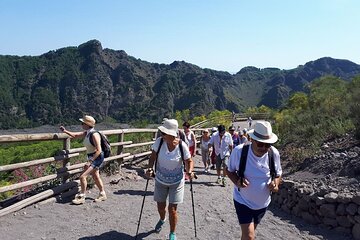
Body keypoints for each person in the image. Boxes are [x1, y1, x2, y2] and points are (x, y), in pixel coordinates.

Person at [227, 121, 282, 240]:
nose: (264, 148)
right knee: (250, 236)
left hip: (263, 204)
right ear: (252, 139)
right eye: (261, 144)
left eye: (267, 145)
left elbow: (278, 174)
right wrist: (237, 181)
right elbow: (229, 170)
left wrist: (275, 184)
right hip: (242, 201)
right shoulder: (240, 151)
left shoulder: (274, 154)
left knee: (248, 234)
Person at [145, 119, 194, 240]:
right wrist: (150, 168)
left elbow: (189, 161)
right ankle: (162, 219)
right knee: (161, 207)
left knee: (172, 209)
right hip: (160, 180)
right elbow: (152, 156)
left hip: (177, 182)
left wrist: (190, 171)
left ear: (172, 134)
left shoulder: (182, 146)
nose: (162, 135)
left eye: (164, 133)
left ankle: (172, 233)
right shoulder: (159, 142)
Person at [59, 115, 107, 205]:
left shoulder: (94, 134)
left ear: (87, 124)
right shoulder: (87, 132)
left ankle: (82, 196)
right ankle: (102, 194)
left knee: (82, 176)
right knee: (96, 176)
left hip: (96, 157)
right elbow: (75, 135)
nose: (81, 124)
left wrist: (90, 161)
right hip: (92, 157)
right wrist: (64, 131)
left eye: (83, 123)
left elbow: (99, 150)